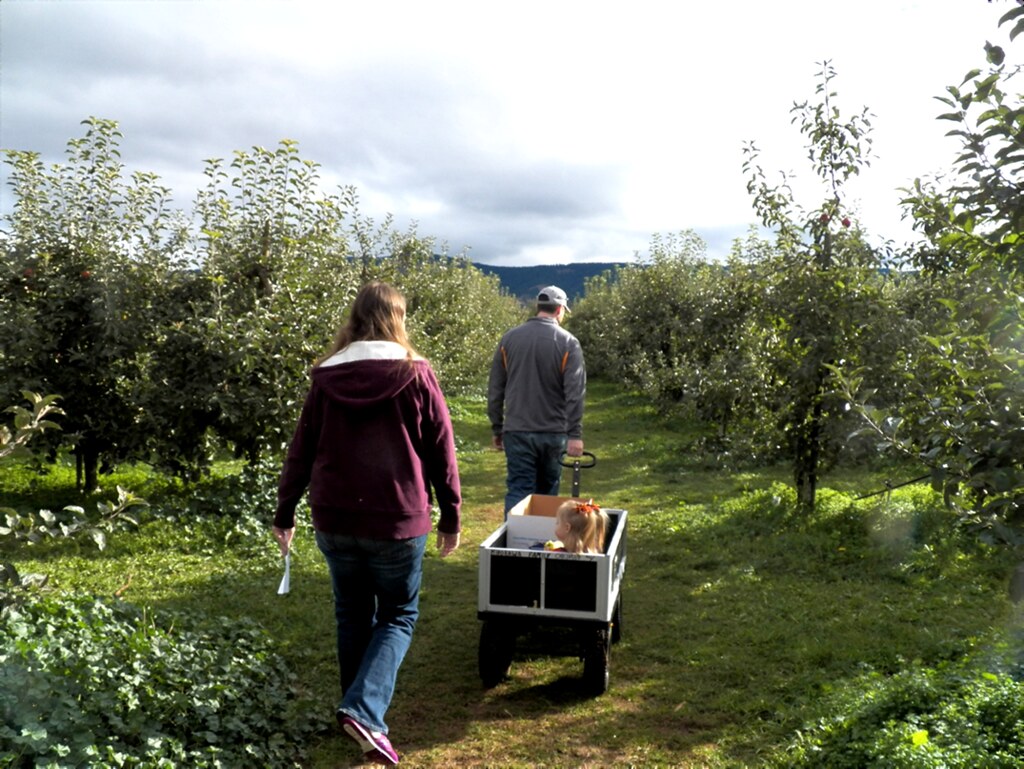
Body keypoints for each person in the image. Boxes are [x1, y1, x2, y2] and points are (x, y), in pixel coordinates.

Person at [271, 281, 461, 767]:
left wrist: (285, 511)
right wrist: (450, 514)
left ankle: (356, 708)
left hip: (335, 516)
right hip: (397, 516)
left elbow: (302, 448)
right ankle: (363, 709)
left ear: (354, 319)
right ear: (398, 318)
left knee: (352, 612)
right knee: (398, 613)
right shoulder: (415, 373)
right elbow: (440, 447)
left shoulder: (326, 376)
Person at [487, 285, 586, 514]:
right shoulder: (568, 343)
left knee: (518, 489)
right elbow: (575, 393)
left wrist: (497, 427)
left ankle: (510, 544)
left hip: (517, 430)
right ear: (560, 309)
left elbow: (495, 389)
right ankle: (540, 545)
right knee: (546, 494)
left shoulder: (508, 339)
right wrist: (575, 435)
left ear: (538, 307)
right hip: (553, 433)